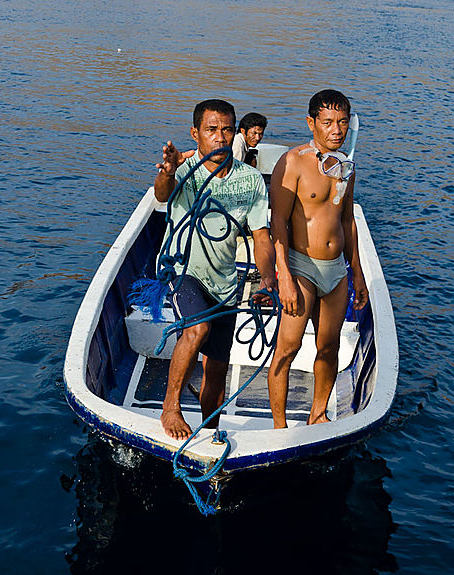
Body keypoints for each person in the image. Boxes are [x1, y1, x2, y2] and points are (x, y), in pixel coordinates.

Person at [153, 99, 276, 440]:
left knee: (218, 368)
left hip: (224, 280)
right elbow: (162, 196)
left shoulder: (250, 180)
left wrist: (268, 278)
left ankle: (211, 430)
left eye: (225, 129)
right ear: (196, 134)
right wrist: (165, 173)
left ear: (234, 132)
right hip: (183, 269)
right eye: (210, 130)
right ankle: (171, 407)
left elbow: (262, 239)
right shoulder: (184, 169)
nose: (219, 137)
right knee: (197, 329)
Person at [266, 89, 369, 429]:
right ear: (311, 123)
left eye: (342, 123)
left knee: (329, 347)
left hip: (335, 271)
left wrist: (358, 274)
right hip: (302, 266)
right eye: (327, 123)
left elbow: (347, 219)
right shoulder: (293, 162)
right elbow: (277, 221)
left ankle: (318, 413)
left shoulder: (346, 166)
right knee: (288, 346)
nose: (336, 130)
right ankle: (279, 426)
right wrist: (284, 276)